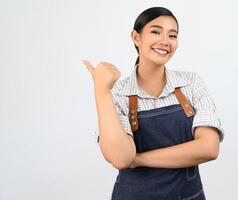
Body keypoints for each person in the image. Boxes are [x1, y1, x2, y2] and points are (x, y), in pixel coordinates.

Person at [83, 6, 224, 200]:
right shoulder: (118, 93)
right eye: (156, 31)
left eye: (172, 35)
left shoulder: (191, 84)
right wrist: (102, 91)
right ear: (136, 37)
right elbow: (120, 157)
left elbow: (209, 148)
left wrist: (139, 159)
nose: (165, 41)